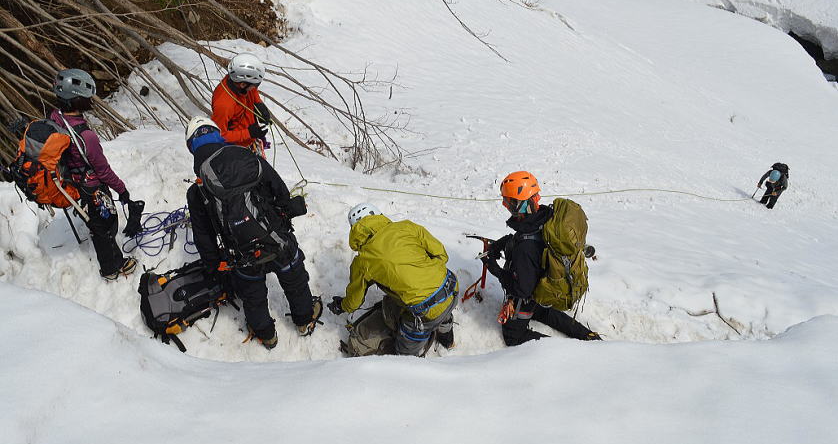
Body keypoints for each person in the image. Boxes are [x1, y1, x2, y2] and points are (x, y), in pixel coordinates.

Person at [184, 116, 320, 350]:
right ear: (219, 136)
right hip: (277, 239)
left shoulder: (197, 190)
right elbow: (279, 190)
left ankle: (265, 334)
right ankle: (304, 320)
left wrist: (214, 264)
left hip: (241, 254)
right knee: (295, 280)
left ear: (192, 148)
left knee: (253, 294)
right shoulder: (249, 158)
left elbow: (203, 235)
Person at [482, 171, 600, 346]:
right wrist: (507, 242)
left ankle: (577, 350)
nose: (504, 204)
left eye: (508, 202)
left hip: (531, 292)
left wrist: (496, 270)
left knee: (513, 336)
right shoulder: (545, 218)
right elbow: (534, 242)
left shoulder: (526, 246)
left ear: (519, 205)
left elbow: (522, 290)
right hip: (545, 281)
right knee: (542, 311)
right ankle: (589, 337)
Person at [327, 203, 457, 356]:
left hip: (424, 314)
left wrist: (342, 306)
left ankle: (408, 366)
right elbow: (442, 255)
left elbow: (353, 302)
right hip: (451, 287)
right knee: (441, 307)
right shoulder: (407, 226)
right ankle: (448, 340)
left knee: (405, 355)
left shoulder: (363, 261)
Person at [50, 69, 142, 280]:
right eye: (87, 97)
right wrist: (122, 190)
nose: (91, 100)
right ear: (76, 100)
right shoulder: (86, 136)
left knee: (98, 221)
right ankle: (112, 267)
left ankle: (109, 259)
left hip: (71, 181)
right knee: (105, 226)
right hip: (91, 186)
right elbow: (103, 171)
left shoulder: (56, 117)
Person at [211, 53, 273, 153]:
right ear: (243, 84)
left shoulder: (236, 81)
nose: (255, 89)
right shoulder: (224, 105)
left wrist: (258, 104)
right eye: (255, 86)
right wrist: (249, 133)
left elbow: (251, 90)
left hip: (250, 141)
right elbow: (218, 136)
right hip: (236, 150)